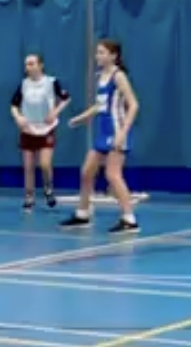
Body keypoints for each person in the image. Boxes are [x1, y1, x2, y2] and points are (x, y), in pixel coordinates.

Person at [63, 39, 140, 234]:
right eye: (97, 52)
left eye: (102, 52)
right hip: (102, 132)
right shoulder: (100, 76)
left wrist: (122, 133)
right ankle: (83, 214)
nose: (98, 56)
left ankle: (129, 219)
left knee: (113, 175)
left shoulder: (118, 76)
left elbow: (133, 105)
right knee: (87, 171)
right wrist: (80, 118)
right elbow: (100, 106)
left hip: (117, 130)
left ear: (113, 56)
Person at [10, 53, 70, 213]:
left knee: (44, 164)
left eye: (31, 64)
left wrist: (55, 112)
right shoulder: (24, 84)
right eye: (26, 64)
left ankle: (48, 188)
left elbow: (66, 98)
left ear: (40, 65)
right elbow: (14, 105)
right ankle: (29, 197)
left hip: (46, 128)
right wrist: (18, 118)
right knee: (28, 166)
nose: (28, 67)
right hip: (28, 129)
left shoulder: (51, 82)